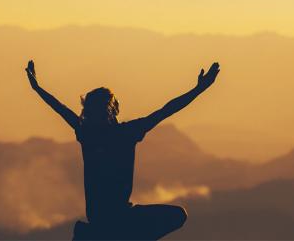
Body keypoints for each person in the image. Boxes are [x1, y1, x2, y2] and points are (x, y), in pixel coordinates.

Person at [25, 60, 220, 240]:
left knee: (176, 216)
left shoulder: (88, 132)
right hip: (120, 220)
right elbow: (167, 110)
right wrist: (199, 89)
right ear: (113, 110)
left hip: (104, 223)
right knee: (177, 215)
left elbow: (60, 108)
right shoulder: (124, 132)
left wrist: (37, 88)